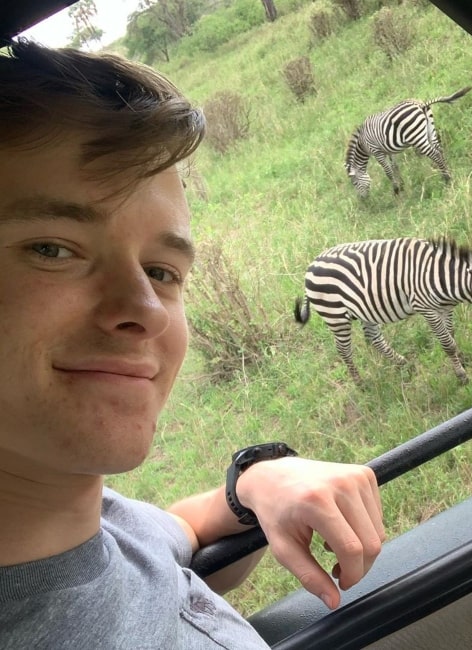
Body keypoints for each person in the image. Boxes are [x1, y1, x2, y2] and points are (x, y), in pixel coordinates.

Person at [0, 39, 384, 649]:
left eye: (161, 271)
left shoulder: (81, 514)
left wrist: (255, 482)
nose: (145, 311)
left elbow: (175, 532)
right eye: (52, 249)